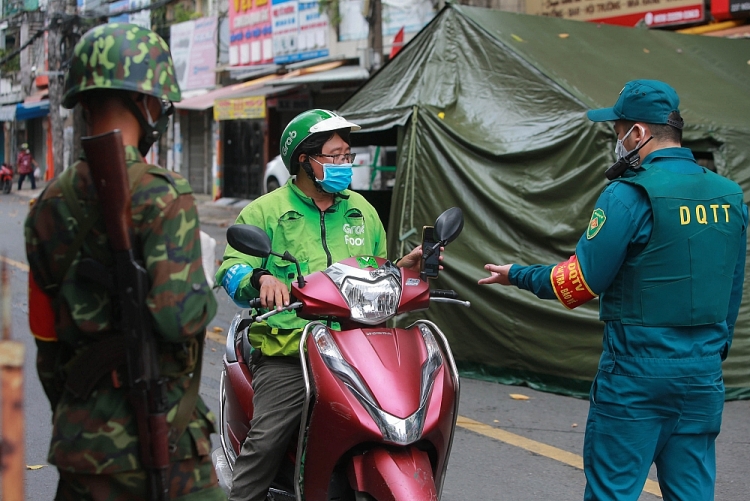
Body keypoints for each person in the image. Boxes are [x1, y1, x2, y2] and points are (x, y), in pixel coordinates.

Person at [478, 79, 747, 501]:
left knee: (613, 492)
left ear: (638, 133)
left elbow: (581, 282)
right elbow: (733, 287)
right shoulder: (730, 196)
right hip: (703, 373)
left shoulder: (627, 194)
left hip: (637, 375)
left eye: (618, 131)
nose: (617, 141)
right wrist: (710, 354)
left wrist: (518, 274)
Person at [24, 23, 225, 501]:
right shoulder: (163, 194)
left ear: (83, 104)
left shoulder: (45, 207)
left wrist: (82, 416)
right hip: (164, 444)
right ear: (148, 103)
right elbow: (180, 320)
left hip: (80, 451)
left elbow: (47, 345)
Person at [215, 108, 428, 500]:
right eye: (336, 155)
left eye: (348, 155)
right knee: (266, 440)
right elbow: (229, 269)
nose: (346, 163)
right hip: (291, 347)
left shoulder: (362, 212)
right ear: (304, 160)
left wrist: (403, 269)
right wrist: (260, 279)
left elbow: (376, 269)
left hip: (359, 345)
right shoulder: (265, 211)